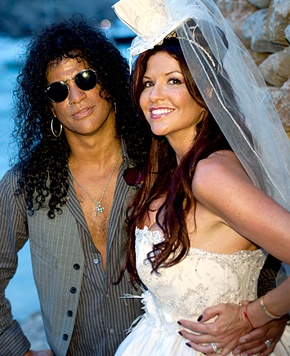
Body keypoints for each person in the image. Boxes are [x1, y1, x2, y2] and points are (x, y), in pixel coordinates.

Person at [112, 0, 290, 354]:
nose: (154, 95)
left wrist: (257, 315)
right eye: (147, 83)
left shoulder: (211, 175)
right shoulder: (170, 168)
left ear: (209, 92)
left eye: (173, 80)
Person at [0, 16, 149, 355]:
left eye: (85, 78)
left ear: (108, 81)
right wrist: (17, 350)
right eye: (58, 89)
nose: (75, 96)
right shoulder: (25, 184)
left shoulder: (159, 165)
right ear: (50, 107)